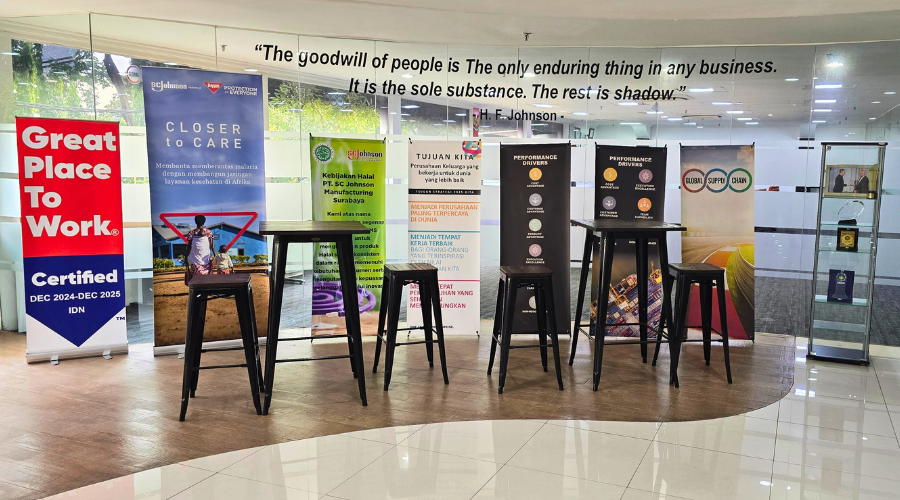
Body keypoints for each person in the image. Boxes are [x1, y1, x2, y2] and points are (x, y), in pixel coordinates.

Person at [185, 214, 214, 284]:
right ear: (204, 222)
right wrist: (215, 255)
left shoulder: (191, 233)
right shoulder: (208, 232)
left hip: (195, 260)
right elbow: (212, 245)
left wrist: (186, 257)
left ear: (195, 222)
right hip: (207, 259)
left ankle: (198, 290)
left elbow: (189, 247)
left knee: (196, 279)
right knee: (208, 278)